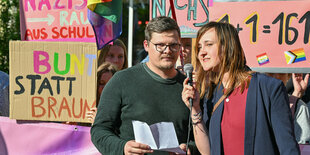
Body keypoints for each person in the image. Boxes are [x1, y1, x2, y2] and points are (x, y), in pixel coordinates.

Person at [181, 21, 300, 155]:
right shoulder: (211, 94)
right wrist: (195, 109)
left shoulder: (268, 87)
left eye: (209, 44)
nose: (201, 52)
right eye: (199, 47)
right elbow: (207, 151)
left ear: (228, 46)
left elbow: (287, 147)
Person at [91, 16, 197, 154]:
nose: (167, 51)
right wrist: (122, 148)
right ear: (146, 45)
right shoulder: (121, 80)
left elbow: (203, 134)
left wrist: (191, 149)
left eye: (173, 45)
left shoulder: (189, 88)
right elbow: (99, 130)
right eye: (160, 45)